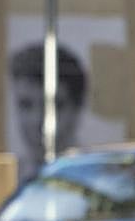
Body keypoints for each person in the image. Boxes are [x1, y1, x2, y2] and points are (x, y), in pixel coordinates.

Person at [8, 42, 88, 183]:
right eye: (26, 105)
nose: (37, 120)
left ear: (77, 107)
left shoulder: (101, 181)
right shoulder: (3, 182)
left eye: (54, 106)